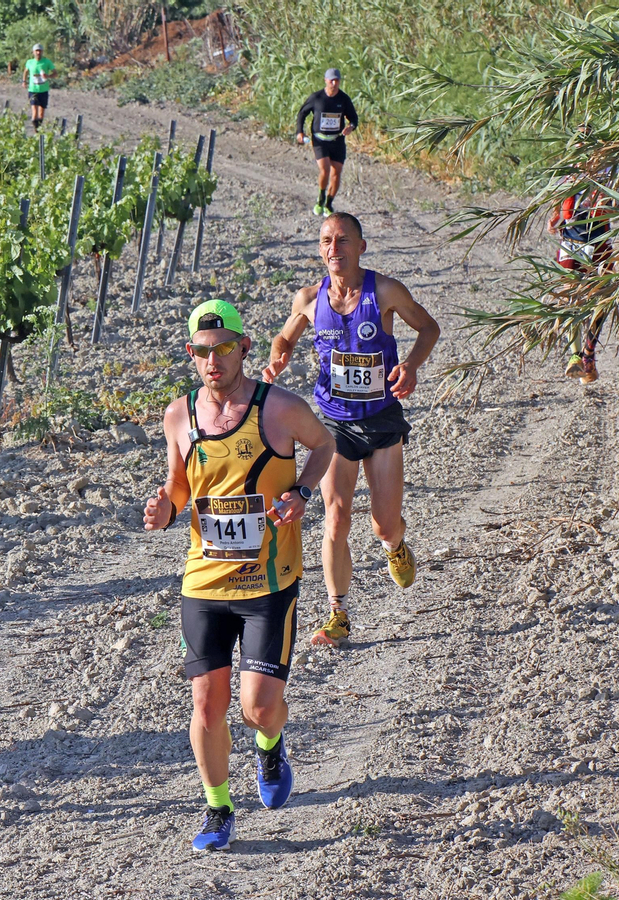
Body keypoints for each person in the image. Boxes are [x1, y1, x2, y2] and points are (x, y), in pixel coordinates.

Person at [144, 299, 335, 852]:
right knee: (207, 705)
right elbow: (179, 484)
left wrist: (302, 492)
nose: (214, 361)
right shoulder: (178, 415)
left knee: (257, 708)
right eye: (202, 352)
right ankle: (217, 809)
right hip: (204, 582)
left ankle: (270, 745)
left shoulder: (279, 407)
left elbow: (324, 443)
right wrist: (167, 509)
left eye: (224, 348)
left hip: (268, 583)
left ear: (244, 348)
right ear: (191, 354)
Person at [261, 213, 440, 648]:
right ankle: (337, 613)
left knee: (383, 525)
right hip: (334, 423)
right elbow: (284, 338)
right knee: (336, 517)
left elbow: (428, 328)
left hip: (381, 419)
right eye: (326, 241)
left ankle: (395, 545)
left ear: (361, 247)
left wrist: (411, 366)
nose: (334, 249)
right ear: (320, 249)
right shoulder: (308, 299)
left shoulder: (385, 291)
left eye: (343, 240)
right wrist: (278, 357)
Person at [547, 178, 612, 384]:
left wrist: (607, 200)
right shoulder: (570, 171)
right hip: (571, 241)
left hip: (598, 242)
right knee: (569, 298)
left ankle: (587, 354)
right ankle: (577, 356)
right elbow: (559, 192)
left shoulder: (608, 170)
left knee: (603, 297)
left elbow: (618, 202)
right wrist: (555, 215)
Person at [295, 69, 358, 218]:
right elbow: (302, 113)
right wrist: (299, 132)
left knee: (336, 173)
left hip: (337, 140)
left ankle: (328, 204)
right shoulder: (316, 97)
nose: (334, 83)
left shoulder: (343, 99)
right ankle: (320, 198)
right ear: (325, 80)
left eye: (337, 80)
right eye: (331, 80)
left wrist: (351, 127)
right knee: (325, 169)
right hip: (320, 140)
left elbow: (354, 118)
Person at [23, 44, 55, 132]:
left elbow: (55, 73)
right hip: (33, 90)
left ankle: (38, 130)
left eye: (40, 51)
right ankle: (36, 130)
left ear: (42, 52)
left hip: (43, 90)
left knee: (41, 114)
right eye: (36, 51)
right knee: (34, 113)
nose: (38, 53)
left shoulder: (47, 62)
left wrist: (48, 76)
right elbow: (25, 71)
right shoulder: (30, 62)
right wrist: (24, 81)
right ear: (33, 52)